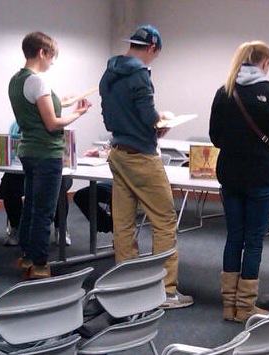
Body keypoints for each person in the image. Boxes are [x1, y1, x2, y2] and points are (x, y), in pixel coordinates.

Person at [100, 24, 193, 309]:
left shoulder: (109, 72)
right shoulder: (140, 74)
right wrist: (160, 120)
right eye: (156, 54)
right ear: (152, 48)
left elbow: (109, 115)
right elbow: (146, 115)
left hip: (117, 152)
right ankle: (165, 291)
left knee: (123, 224)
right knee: (164, 221)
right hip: (142, 156)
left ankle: (128, 286)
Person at [209, 41, 269, 323]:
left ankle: (228, 305)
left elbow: (215, 137)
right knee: (254, 240)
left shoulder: (225, 92)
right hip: (260, 176)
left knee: (234, 237)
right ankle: (245, 307)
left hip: (230, 174)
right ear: (265, 63)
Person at [9, 31, 92, 279]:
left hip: (29, 151)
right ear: (41, 53)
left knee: (32, 206)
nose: (52, 62)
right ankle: (41, 264)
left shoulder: (17, 79)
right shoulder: (38, 81)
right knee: (44, 210)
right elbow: (53, 123)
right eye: (51, 56)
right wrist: (79, 114)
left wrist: (65, 101)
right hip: (46, 153)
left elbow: (39, 106)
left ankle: (27, 257)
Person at [0, 122, 74, 247]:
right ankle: (16, 226)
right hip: (23, 169)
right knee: (8, 184)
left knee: (58, 186)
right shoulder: (16, 124)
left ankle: (61, 228)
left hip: (50, 168)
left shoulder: (52, 123)